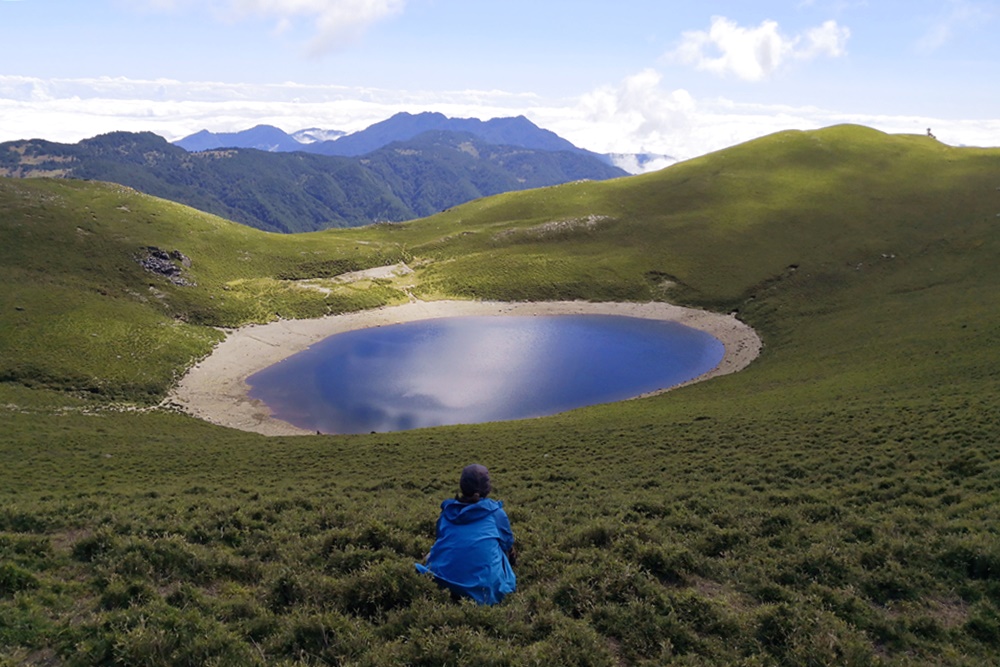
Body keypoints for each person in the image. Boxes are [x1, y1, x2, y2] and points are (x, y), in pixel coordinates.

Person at [415, 464, 517, 605]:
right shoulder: (495, 513)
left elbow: (440, 539)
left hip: (443, 582)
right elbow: (508, 544)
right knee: (500, 550)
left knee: (434, 551)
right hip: (483, 591)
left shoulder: (447, 513)